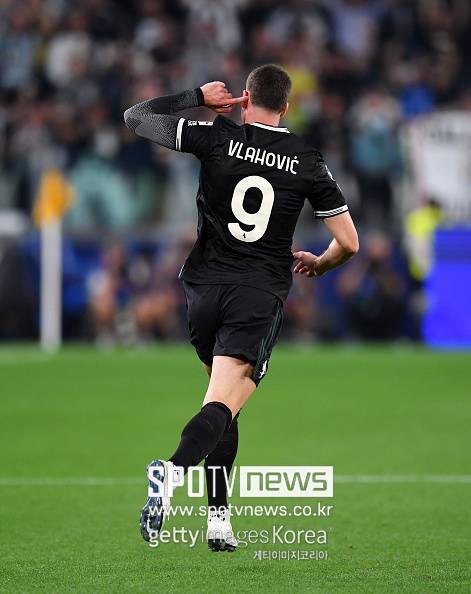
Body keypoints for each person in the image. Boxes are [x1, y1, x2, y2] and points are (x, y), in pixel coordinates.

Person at [124, 64, 359, 551]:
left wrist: (196, 96)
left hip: (202, 290)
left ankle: (218, 520)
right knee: (223, 404)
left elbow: (137, 117)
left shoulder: (216, 136)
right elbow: (349, 243)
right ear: (286, 107)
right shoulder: (306, 159)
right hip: (256, 294)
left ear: (244, 99)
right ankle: (171, 471)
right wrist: (321, 264)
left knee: (220, 402)